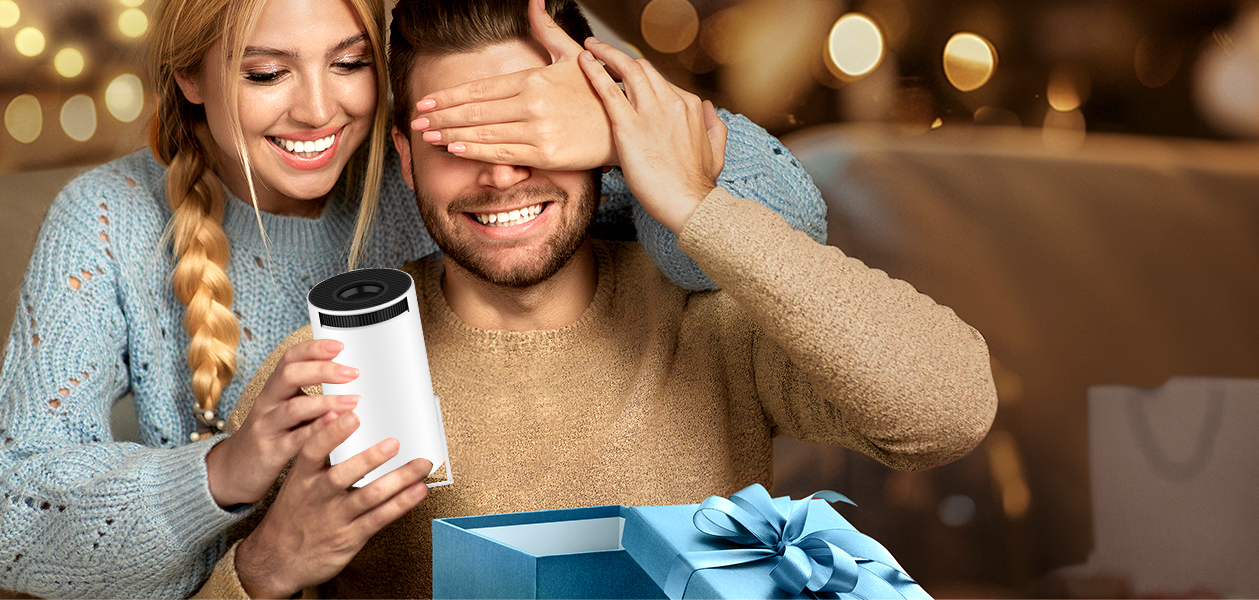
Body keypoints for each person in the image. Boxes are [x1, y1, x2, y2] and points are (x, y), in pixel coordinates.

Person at [0, 0, 829, 597]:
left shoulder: (442, 173)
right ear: (190, 76)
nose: (317, 111)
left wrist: (607, 107)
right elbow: (12, 519)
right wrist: (226, 472)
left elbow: (790, 229)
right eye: (266, 74)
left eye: (351, 65)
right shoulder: (107, 220)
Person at [198, 0, 999, 597]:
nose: (502, 173)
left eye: (531, 133)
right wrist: (263, 571)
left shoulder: (713, 322)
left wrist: (689, 199)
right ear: (405, 157)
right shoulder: (334, 367)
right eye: (458, 141)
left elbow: (947, 410)